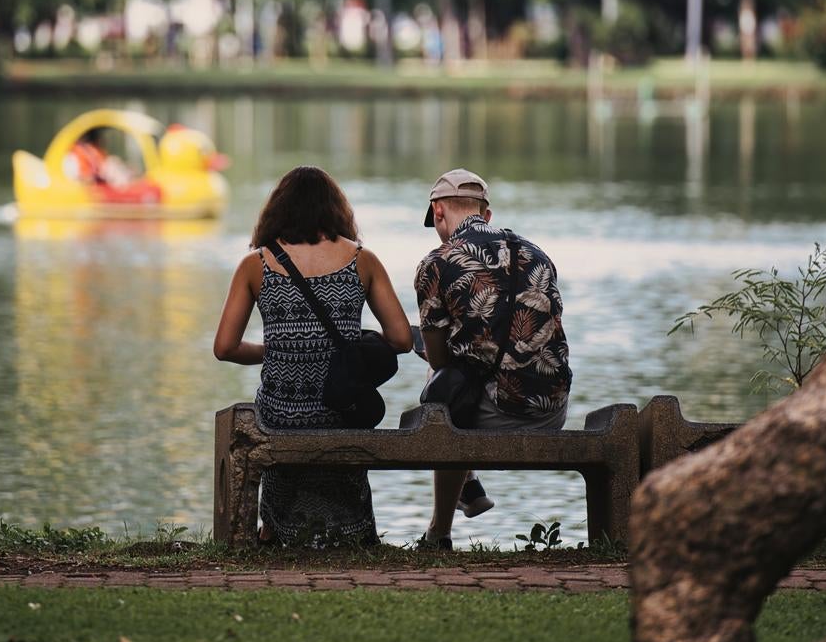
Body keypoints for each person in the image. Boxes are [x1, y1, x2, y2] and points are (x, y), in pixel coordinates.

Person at [213, 166, 413, 546]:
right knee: (343, 408)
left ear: (277, 211)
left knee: (269, 409)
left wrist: (276, 350)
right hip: (342, 410)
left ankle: (276, 529)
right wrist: (355, 344)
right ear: (337, 211)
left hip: (281, 414)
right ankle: (352, 532)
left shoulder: (255, 265)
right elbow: (402, 339)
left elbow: (224, 347)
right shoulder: (362, 260)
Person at [414, 168, 572, 549]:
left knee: (439, 392)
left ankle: (440, 531)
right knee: (464, 375)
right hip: (552, 408)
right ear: (487, 214)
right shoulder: (538, 256)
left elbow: (439, 362)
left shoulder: (436, 263)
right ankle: (467, 487)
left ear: (438, 212)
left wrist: (426, 346)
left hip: (504, 413)